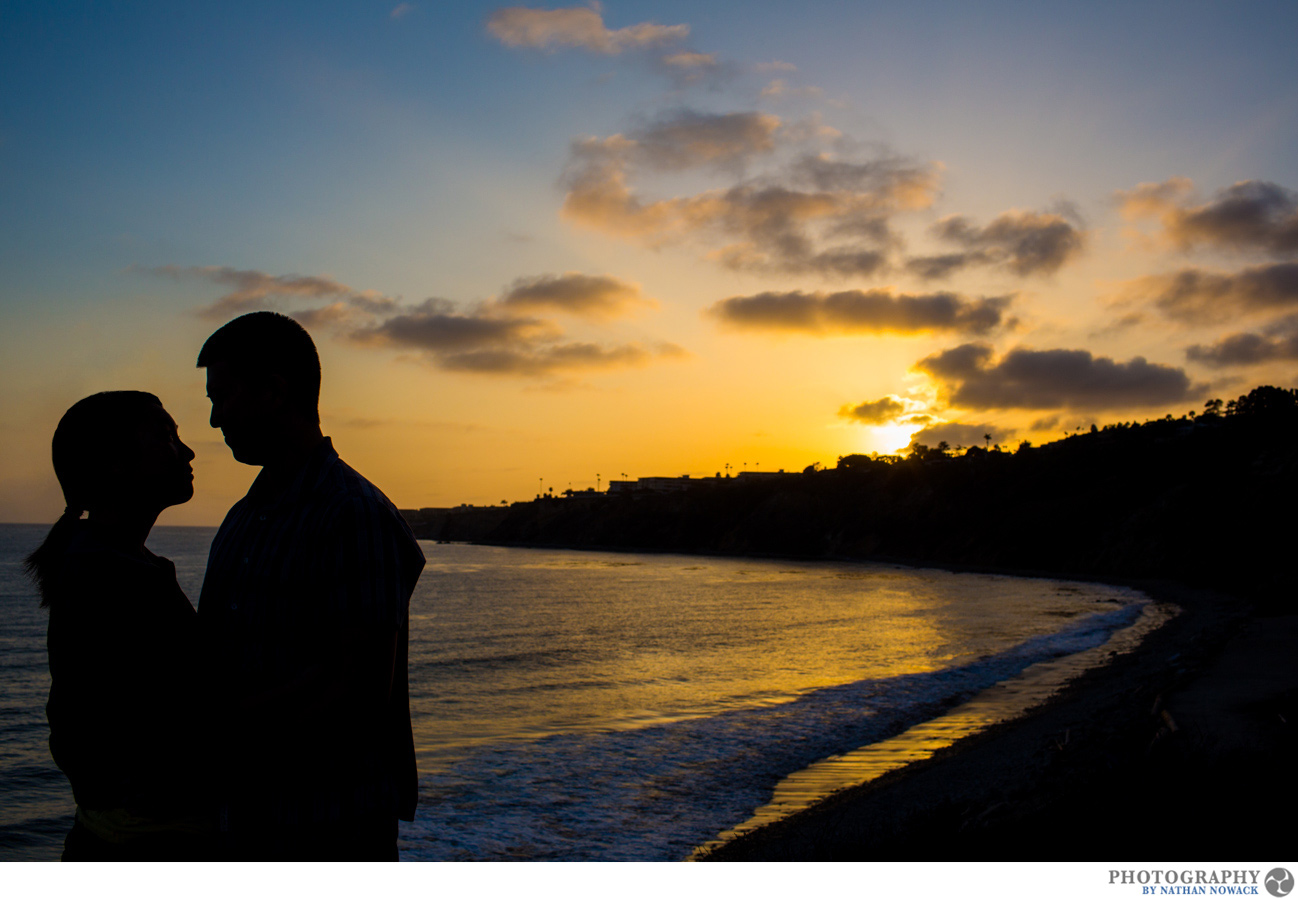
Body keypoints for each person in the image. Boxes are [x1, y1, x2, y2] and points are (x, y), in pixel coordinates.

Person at [196, 311, 425, 861]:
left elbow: (363, 690)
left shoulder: (351, 514)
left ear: (275, 391)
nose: (212, 419)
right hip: (243, 826)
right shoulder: (243, 518)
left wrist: (230, 734)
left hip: (327, 830)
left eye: (222, 397)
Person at [28, 391, 212, 860]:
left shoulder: (109, 563)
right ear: (114, 464)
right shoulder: (113, 575)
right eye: (165, 436)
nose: (187, 451)